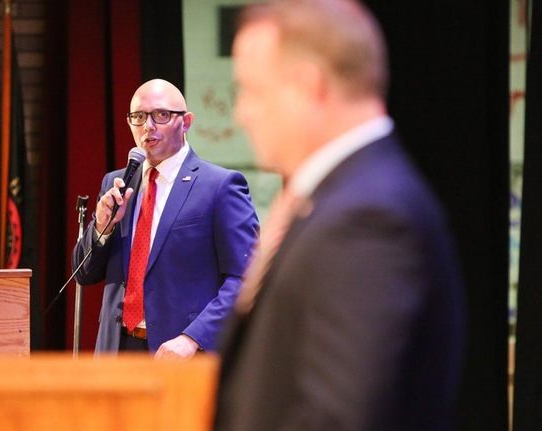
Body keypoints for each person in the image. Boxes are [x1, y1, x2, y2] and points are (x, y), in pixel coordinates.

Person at [214, 1, 465, 430]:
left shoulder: (368, 220)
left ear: (310, 87)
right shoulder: (341, 200)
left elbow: (340, 418)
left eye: (252, 90)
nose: (242, 113)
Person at [73, 79, 259, 358]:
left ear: (186, 122)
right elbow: (84, 275)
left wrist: (193, 338)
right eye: (138, 117)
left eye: (161, 115)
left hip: (181, 353)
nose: (148, 126)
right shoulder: (118, 183)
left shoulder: (219, 186)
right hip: (116, 350)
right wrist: (102, 226)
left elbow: (247, 278)